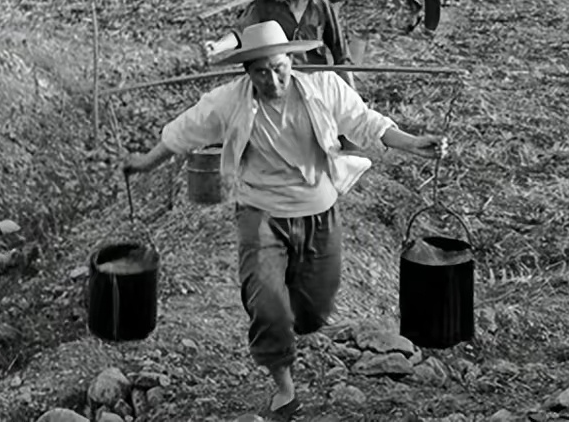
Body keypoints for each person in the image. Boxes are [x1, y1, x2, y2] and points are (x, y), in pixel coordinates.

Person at [122, 21, 449, 420]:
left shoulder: (324, 88)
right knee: (266, 300)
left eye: (279, 68)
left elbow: (366, 122)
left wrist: (412, 143)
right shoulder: (229, 102)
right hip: (261, 213)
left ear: (291, 60)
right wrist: (142, 163)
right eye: (261, 71)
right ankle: (283, 386)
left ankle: (288, 324)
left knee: (313, 313)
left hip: (319, 211)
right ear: (248, 72)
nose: (272, 78)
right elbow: (182, 133)